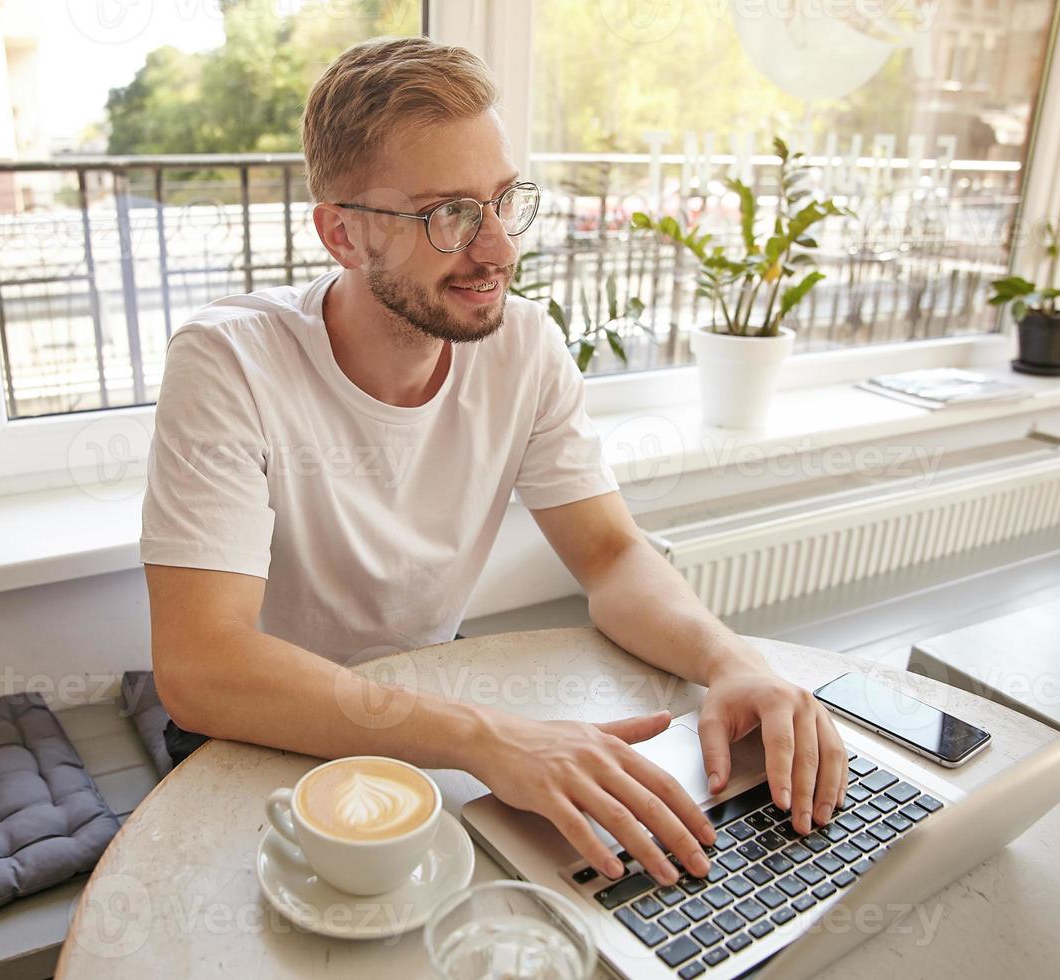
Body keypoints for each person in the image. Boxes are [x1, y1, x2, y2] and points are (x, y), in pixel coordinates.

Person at [141, 36, 846, 888]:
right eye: (449, 215)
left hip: (431, 706)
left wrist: (732, 660)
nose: (501, 251)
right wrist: (486, 737)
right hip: (261, 730)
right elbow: (202, 668)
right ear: (343, 233)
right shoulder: (229, 362)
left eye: (505, 201)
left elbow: (613, 556)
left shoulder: (525, 347)